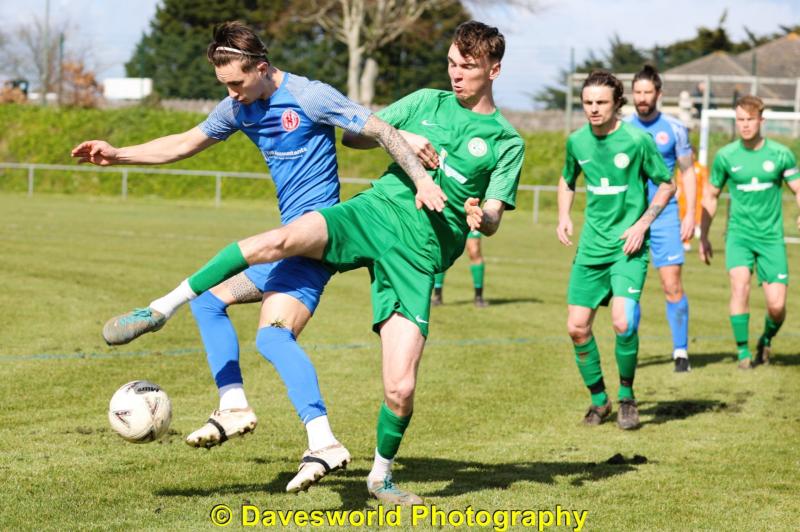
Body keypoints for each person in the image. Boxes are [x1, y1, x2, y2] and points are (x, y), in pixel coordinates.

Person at [100, 20, 524, 505]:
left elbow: (492, 214)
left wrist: (481, 218)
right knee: (260, 264)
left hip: (419, 254)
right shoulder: (426, 100)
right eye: (450, 62)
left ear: (494, 69)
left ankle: (376, 476)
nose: (455, 74)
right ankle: (168, 317)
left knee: (399, 388)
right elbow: (367, 135)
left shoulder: (505, 141)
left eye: (466, 67)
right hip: (369, 215)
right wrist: (118, 154)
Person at [557, 70, 675, 430]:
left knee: (623, 323)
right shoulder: (576, 142)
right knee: (577, 328)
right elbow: (567, 178)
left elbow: (667, 185)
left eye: (601, 102)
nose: (593, 109)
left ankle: (627, 397)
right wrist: (563, 215)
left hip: (628, 248)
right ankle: (599, 401)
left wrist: (642, 225)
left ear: (617, 103)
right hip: (591, 249)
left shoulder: (637, 141)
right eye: (588, 102)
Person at [699, 95, 800, 369]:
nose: (744, 125)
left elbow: (798, 187)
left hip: (771, 238)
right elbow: (711, 195)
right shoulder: (726, 156)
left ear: (761, 120)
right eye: (740, 120)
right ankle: (743, 354)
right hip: (739, 235)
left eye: (750, 120)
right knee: (739, 285)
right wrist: (703, 235)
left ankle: (765, 339)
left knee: (777, 306)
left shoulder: (781, 154)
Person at [625, 65, 696, 372]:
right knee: (630, 287)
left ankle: (680, 351)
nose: (642, 98)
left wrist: (690, 212)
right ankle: (630, 347)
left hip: (666, 215)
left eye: (647, 92)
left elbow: (688, 171)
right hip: (631, 216)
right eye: (637, 92)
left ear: (659, 94)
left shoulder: (675, 129)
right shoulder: (624, 128)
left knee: (671, 284)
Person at [431, 231, 488, 307]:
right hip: (450, 220)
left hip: (470, 220)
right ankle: (437, 296)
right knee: (442, 251)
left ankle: (478, 297)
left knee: (474, 251)